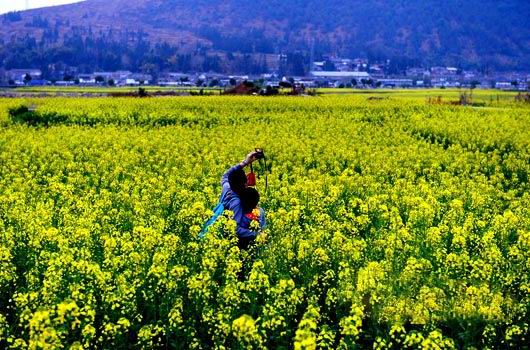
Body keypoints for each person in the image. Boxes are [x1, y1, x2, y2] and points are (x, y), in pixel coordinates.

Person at [221, 151, 266, 249]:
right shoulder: (237, 203)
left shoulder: (227, 187)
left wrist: (245, 162)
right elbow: (235, 228)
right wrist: (256, 233)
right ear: (245, 184)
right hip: (237, 243)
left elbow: (225, 176)